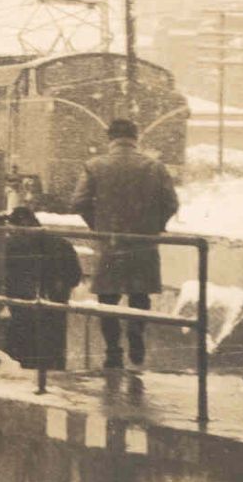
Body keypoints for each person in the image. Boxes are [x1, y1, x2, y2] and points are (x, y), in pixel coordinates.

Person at [69, 118, 179, 369]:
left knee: (108, 299)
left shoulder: (94, 166)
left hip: (110, 244)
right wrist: (154, 226)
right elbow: (171, 203)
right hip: (143, 245)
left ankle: (113, 351)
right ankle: (136, 336)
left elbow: (78, 203)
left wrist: (98, 225)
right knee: (139, 296)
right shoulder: (155, 167)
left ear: (110, 139)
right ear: (135, 138)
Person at [0, 205, 82, 371]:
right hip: (53, 312)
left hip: (21, 314)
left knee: (24, 356)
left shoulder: (10, 247)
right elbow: (75, 276)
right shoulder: (61, 244)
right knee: (51, 356)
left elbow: (3, 279)